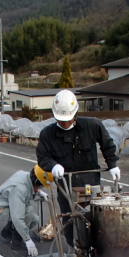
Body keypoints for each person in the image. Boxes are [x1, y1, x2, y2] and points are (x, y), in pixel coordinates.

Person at [36, 89, 120, 248]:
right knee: (69, 217)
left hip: (90, 181)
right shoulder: (47, 134)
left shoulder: (92, 125)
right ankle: (72, 248)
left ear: (75, 114)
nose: (65, 123)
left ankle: (95, 250)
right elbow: (42, 157)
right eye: (61, 121)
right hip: (65, 183)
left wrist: (113, 165)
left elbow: (107, 144)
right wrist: (53, 166)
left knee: (94, 217)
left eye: (67, 120)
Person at [0, 166, 53, 257]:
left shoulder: (25, 175)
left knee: (34, 219)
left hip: (6, 202)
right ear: (36, 182)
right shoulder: (20, 190)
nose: (40, 187)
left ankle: (8, 231)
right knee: (27, 214)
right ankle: (16, 242)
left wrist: (38, 191)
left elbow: (30, 185)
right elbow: (18, 218)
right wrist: (28, 240)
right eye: (40, 185)